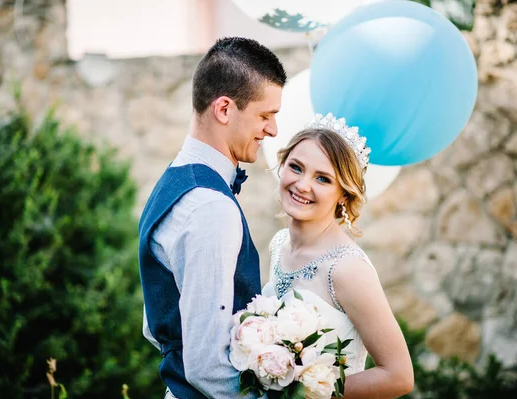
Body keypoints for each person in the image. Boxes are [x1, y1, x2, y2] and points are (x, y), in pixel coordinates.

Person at [139, 37, 287, 399]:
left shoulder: (176, 179)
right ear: (224, 109)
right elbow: (208, 366)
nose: (273, 130)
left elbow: (153, 324)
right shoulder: (209, 207)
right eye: (265, 115)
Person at [262, 114, 414, 398]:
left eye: (322, 178)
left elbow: (399, 376)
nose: (303, 185)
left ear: (343, 194)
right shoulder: (279, 243)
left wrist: (306, 392)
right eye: (296, 167)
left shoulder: (347, 269)